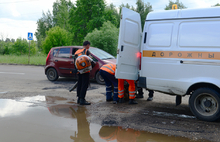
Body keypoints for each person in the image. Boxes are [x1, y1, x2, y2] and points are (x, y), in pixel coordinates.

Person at [74, 41, 94, 105]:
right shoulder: (86, 51)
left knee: (79, 84)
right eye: (89, 46)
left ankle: (79, 99)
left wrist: (77, 70)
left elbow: (75, 62)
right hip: (86, 71)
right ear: (87, 45)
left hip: (78, 71)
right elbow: (90, 60)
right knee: (84, 85)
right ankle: (82, 99)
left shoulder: (77, 52)